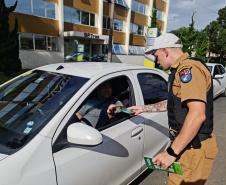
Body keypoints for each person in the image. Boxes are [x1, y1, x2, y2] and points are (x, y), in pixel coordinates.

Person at [128, 33, 218, 185]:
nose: (157, 61)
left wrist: (171, 152)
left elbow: (197, 115)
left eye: (157, 56)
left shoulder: (188, 70)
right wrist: (143, 108)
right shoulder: (179, 70)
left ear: (166, 51)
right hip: (187, 146)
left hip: (193, 149)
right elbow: (173, 104)